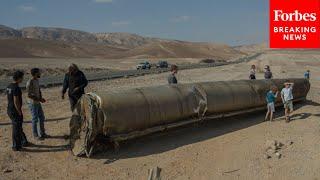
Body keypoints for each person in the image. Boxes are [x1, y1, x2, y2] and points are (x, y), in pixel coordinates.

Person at [6, 71, 29, 151]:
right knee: (16, 128)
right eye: (22, 77)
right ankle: (16, 146)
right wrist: (19, 111)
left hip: (9, 109)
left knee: (18, 127)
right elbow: (16, 101)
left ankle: (24, 141)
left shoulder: (9, 86)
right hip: (15, 111)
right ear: (19, 78)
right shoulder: (16, 88)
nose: (22, 79)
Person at [26, 68, 48, 140]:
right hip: (32, 103)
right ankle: (35, 135)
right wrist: (39, 99)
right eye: (39, 73)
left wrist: (41, 98)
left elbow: (38, 90)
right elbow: (29, 95)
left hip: (37, 102)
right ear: (35, 73)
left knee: (41, 117)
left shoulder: (36, 80)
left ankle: (42, 133)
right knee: (34, 119)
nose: (40, 74)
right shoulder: (30, 82)